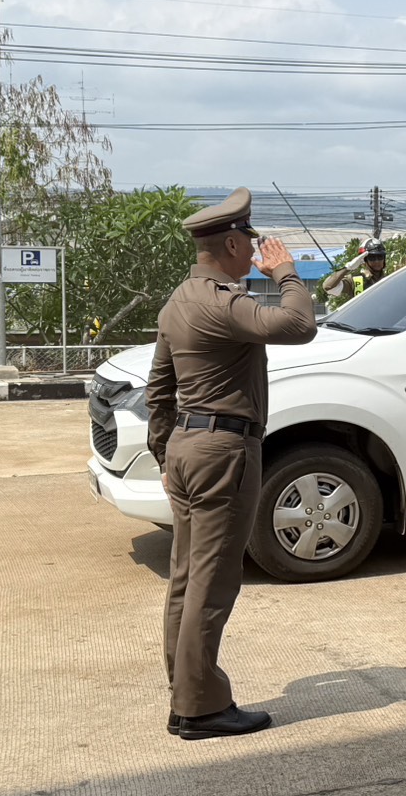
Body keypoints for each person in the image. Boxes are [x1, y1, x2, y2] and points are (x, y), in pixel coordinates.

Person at [146, 187, 318, 739]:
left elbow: (158, 389)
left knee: (186, 577)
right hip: (224, 452)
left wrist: (165, 452)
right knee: (213, 582)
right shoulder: (222, 302)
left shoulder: (179, 300)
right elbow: (299, 325)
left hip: (187, 447)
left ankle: (186, 695)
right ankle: (200, 708)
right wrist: (286, 272)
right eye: (250, 239)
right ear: (232, 243)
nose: (256, 248)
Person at [322, 237, 388, 303]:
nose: (377, 261)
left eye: (380, 257)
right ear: (364, 260)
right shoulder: (355, 280)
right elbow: (328, 287)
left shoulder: (389, 278)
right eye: (372, 258)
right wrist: (347, 268)